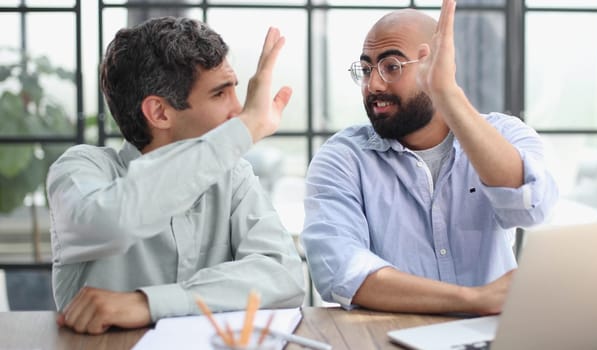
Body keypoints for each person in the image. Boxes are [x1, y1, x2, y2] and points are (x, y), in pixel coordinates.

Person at [46, 17, 305, 334]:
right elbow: (113, 221)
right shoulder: (80, 169)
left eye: (235, 90)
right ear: (159, 113)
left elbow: (284, 276)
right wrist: (246, 129)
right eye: (219, 94)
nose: (238, 111)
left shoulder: (233, 175)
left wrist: (148, 303)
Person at [301, 0, 558, 315]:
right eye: (366, 69)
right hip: (389, 338)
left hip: (490, 337)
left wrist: (446, 93)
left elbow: (531, 206)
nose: (373, 85)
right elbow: (340, 269)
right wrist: (474, 299)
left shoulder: (504, 133)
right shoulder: (343, 157)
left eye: (391, 66)